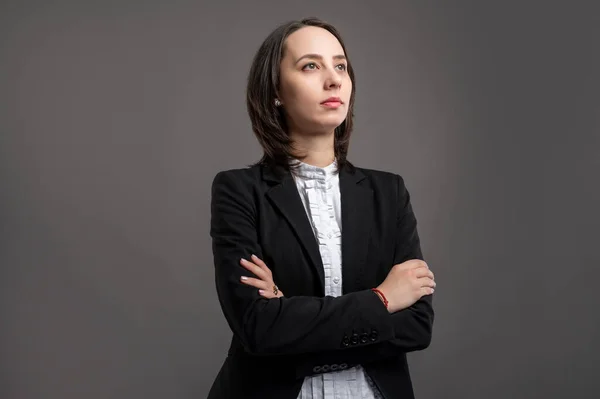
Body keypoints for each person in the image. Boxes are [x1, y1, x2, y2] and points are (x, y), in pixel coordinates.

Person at [208, 17, 436, 399]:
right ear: (276, 91)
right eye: (311, 65)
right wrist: (383, 299)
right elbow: (258, 327)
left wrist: (292, 320)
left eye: (340, 66)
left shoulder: (388, 192)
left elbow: (416, 325)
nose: (333, 80)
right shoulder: (238, 190)